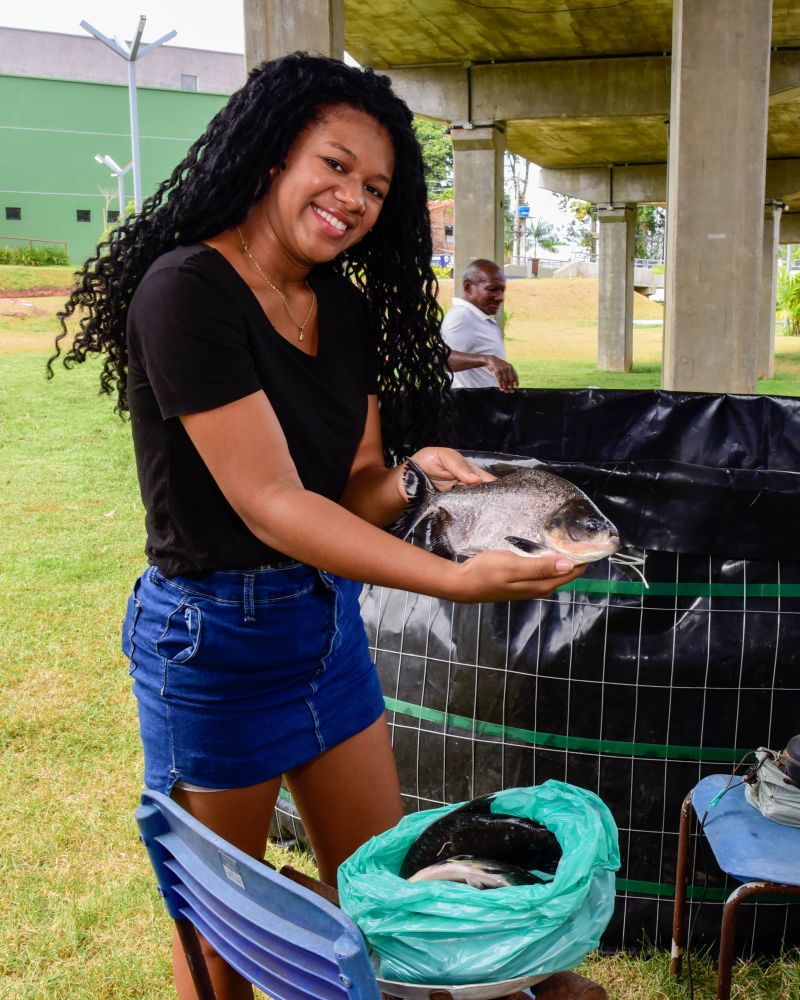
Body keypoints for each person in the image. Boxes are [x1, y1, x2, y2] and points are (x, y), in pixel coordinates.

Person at [49, 53, 583, 1000]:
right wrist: (457, 579)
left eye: (375, 186)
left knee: (376, 897)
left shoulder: (342, 308)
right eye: (334, 166)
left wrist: (420, 481)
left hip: (325, 631)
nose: (353, 199)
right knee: (223, 941)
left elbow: (349, 490)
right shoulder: (186, 291)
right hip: (213, 644)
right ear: (270, 155)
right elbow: (272, 504)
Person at [442, 258, 518, 392]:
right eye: (492, 289)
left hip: (486, 407)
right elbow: (443, 360)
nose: (500, 297)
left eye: (502, 290)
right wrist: (486, 360)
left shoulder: (478, 316)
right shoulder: (463, 317)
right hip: (469, 408)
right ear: (468, 287)